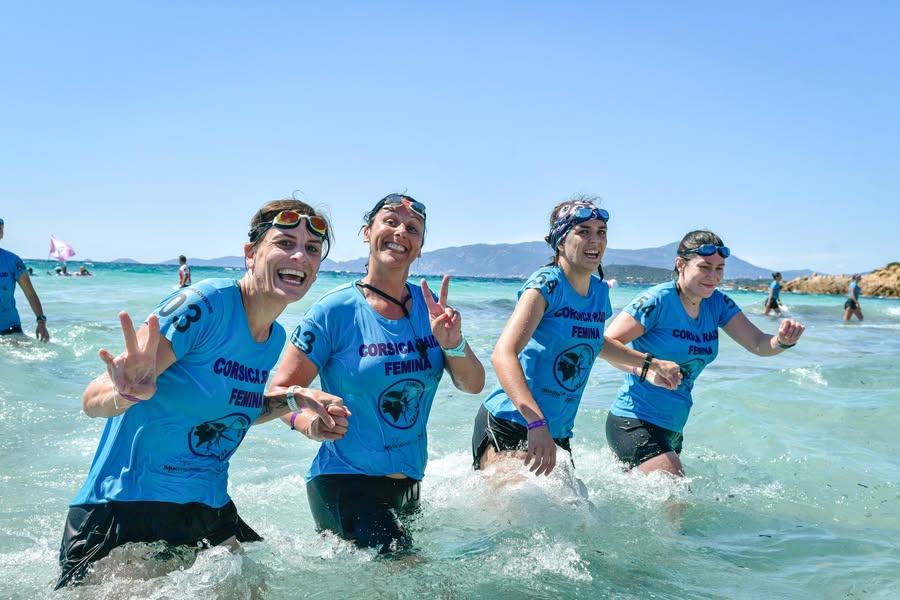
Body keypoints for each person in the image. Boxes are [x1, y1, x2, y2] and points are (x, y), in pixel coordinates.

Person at [55, 199, 342, 588]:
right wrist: (124, 393)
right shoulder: (204, 305)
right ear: (250, 254)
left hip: (206, 506)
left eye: (311, 249)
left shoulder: (272, 338)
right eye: (285, 242)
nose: (299, 256)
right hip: (127, 507)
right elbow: (93, 398)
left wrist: (291, 399)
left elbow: (227, 414)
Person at [269, 193, 485, 553]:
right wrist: (309, 425)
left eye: (412, 228)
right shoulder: (333, 311)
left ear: (419, 247)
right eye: (390, 222)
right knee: (415, 577)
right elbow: (280, 391)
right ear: (368, 232)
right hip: (344, 482)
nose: (401, 231)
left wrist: (453, 343)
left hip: (410, 483)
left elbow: (472, 384)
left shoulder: (431, 310)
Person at [471, 197, 682, 478]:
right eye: (583, 231)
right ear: (560, 240)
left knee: (578, 518)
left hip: (555, 432)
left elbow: (596, 342)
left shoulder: (598, 292)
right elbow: (503, 354)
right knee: (521, 513)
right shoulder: (547, 284)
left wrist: (652, 364)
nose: (595, 240)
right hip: (513, 422)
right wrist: (536, 424)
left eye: (601, 232)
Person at [604, 230, 806, 477]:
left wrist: (782, 341)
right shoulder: (657, 300)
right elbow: (604, 345)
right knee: (677, 497)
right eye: (705, 267)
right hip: (633, 420)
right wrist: (648, 369)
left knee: (661, 505)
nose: (713, 277)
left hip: (672, 427)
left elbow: (758, 344)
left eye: (719, 269)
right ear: (681, 264)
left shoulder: (717, 303)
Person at [0, 217, 50, 341]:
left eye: (0, 229)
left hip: (10, 326)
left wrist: (41, 321)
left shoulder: (13, 261)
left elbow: (30, 294)